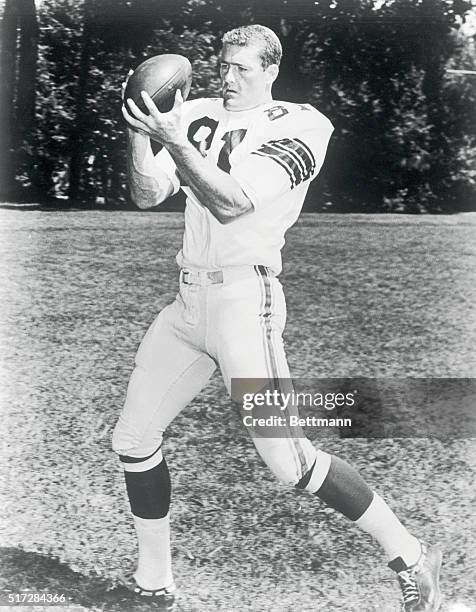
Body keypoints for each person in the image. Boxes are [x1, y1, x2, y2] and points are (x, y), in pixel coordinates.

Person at [114, 24, 442, 611]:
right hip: (188, 303)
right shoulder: (197, 112)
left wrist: (176, 139)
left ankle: (413, 557)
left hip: (246, 303)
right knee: (134, 439)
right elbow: (147, 193)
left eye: (244, 68)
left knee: (289, 461)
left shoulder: (302, 124)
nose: (229, 78)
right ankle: (154, 585)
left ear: (271, 70)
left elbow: (234, 201)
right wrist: (142, 132)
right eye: (224, 65)